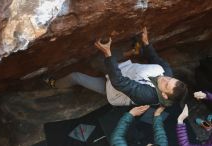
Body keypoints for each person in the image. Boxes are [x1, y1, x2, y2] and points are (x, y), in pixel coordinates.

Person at [50, 27, 187, 106]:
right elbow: (155, 59)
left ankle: (55, 84)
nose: (165, 78)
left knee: (77, 76)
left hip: (113, 89)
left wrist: (107, 53)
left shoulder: (147, 95)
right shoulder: (166, 73)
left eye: (166, 84)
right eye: (170, 79)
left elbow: (118, 82)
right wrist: (146, 42)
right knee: (102, 61)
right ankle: (135, 51)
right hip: (125, 71)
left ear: (164, 95)